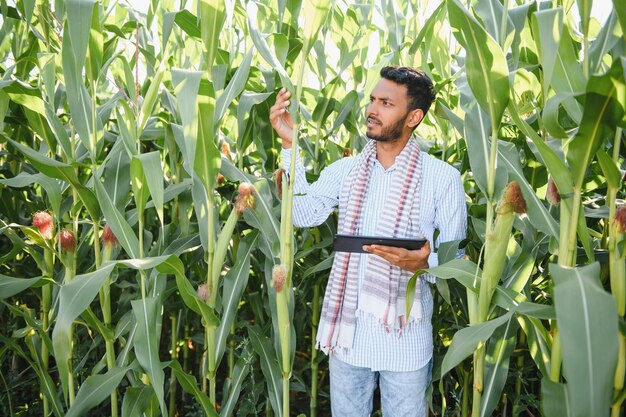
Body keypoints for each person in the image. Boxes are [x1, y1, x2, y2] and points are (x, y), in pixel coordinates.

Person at [269, 66, 467, 417]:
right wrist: (289, 144)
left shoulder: (442, 179)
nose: (372, 109)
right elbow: (300, 213)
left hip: (405, 338)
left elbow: (458, 262)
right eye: (373, 99)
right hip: (348, 336)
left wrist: (424, 264)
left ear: (413, 117)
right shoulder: (346, 170)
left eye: (386, 103)